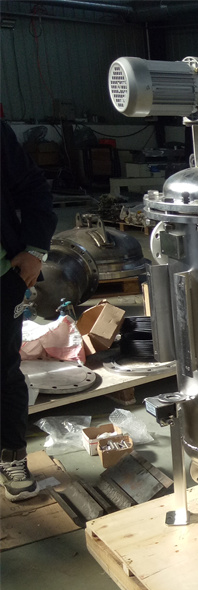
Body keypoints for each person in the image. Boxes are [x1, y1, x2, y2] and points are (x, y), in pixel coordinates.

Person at [1, 121, 58, 501]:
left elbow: (33, 187)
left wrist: (35, 250)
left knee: (4, 371)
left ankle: (11, 455)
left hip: (2, 277)